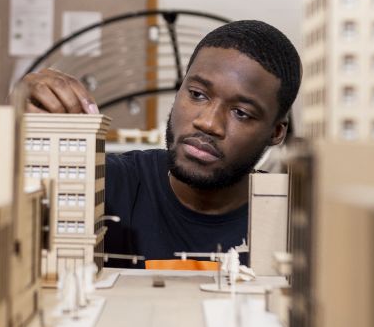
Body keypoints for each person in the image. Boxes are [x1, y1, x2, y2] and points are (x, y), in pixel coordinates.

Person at [16, 20, 301, 266]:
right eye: (198, 94)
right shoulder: (108, 184)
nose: (208, 123)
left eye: (241, 113)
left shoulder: (293, 221)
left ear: (276, 132)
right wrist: (15, 125)